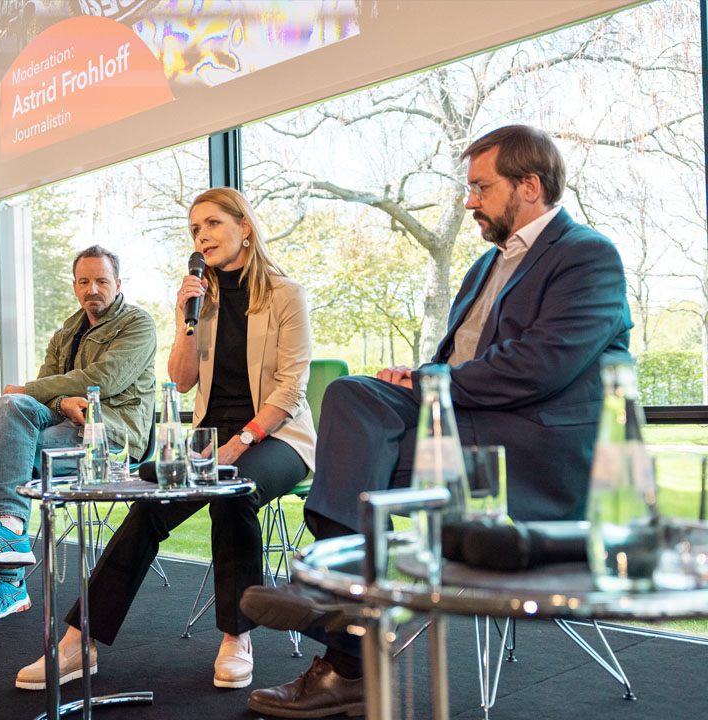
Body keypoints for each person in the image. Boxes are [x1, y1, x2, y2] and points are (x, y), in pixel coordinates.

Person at [244, 125, 632, 718]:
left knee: (371, 471)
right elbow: (461, 363)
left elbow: (538, 367)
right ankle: (336, 609)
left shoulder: (587, 254)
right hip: (459, 421)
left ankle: (337, 620)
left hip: (524, 443)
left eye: (481, 186)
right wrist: (422, 374)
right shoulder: (484, 267)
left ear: (529, 186)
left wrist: (431, 382)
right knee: (352, 394)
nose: (468, 200)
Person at [15, 188, 317, 691]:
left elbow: (291, 388)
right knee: (149, 505)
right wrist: (185, 322)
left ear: (245, 227)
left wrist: (238, 443)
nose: (202, 236)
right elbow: (180, 381)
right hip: (208, 437)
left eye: (213, 224)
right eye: (196, 229)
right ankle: (77, 642)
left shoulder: (286, 294)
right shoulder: (202, 299)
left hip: (278, 435)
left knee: (231, 491)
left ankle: (236, 637)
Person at [0, 245, 157, 621]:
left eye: (101, 281)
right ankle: (10, 537)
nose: (92, 288)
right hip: (66, 430)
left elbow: (102, 381)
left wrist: (32, 391)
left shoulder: (137, 324)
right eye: (84, 281)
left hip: (112, 438)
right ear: (75, 285)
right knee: (12, 407)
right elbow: (47, 391)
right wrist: (59, 402)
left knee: (14, 451)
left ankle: (7, 580)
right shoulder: (67, 331)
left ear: (118, 283)